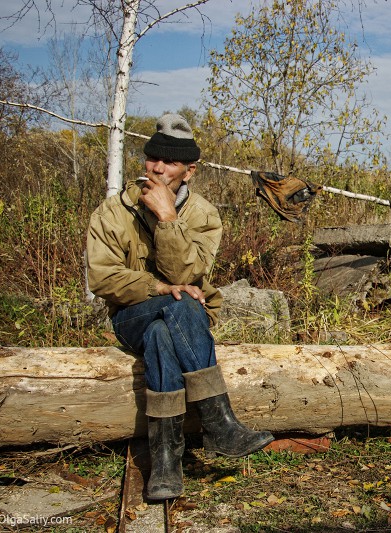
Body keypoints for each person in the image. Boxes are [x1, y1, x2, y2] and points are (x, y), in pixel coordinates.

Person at [86, 113, 273, 500]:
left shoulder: (204, 215)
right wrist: (158, 286)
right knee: (178, 302)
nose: (157, 168)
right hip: (130, 316)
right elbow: (102, 279)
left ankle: (166, 464)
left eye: (169, 162)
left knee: (164, 331)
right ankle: (219, 424)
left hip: (177, 318)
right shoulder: (112, 211)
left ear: (189, 171)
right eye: (152, 158)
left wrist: (168, 219)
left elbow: (189, 269)